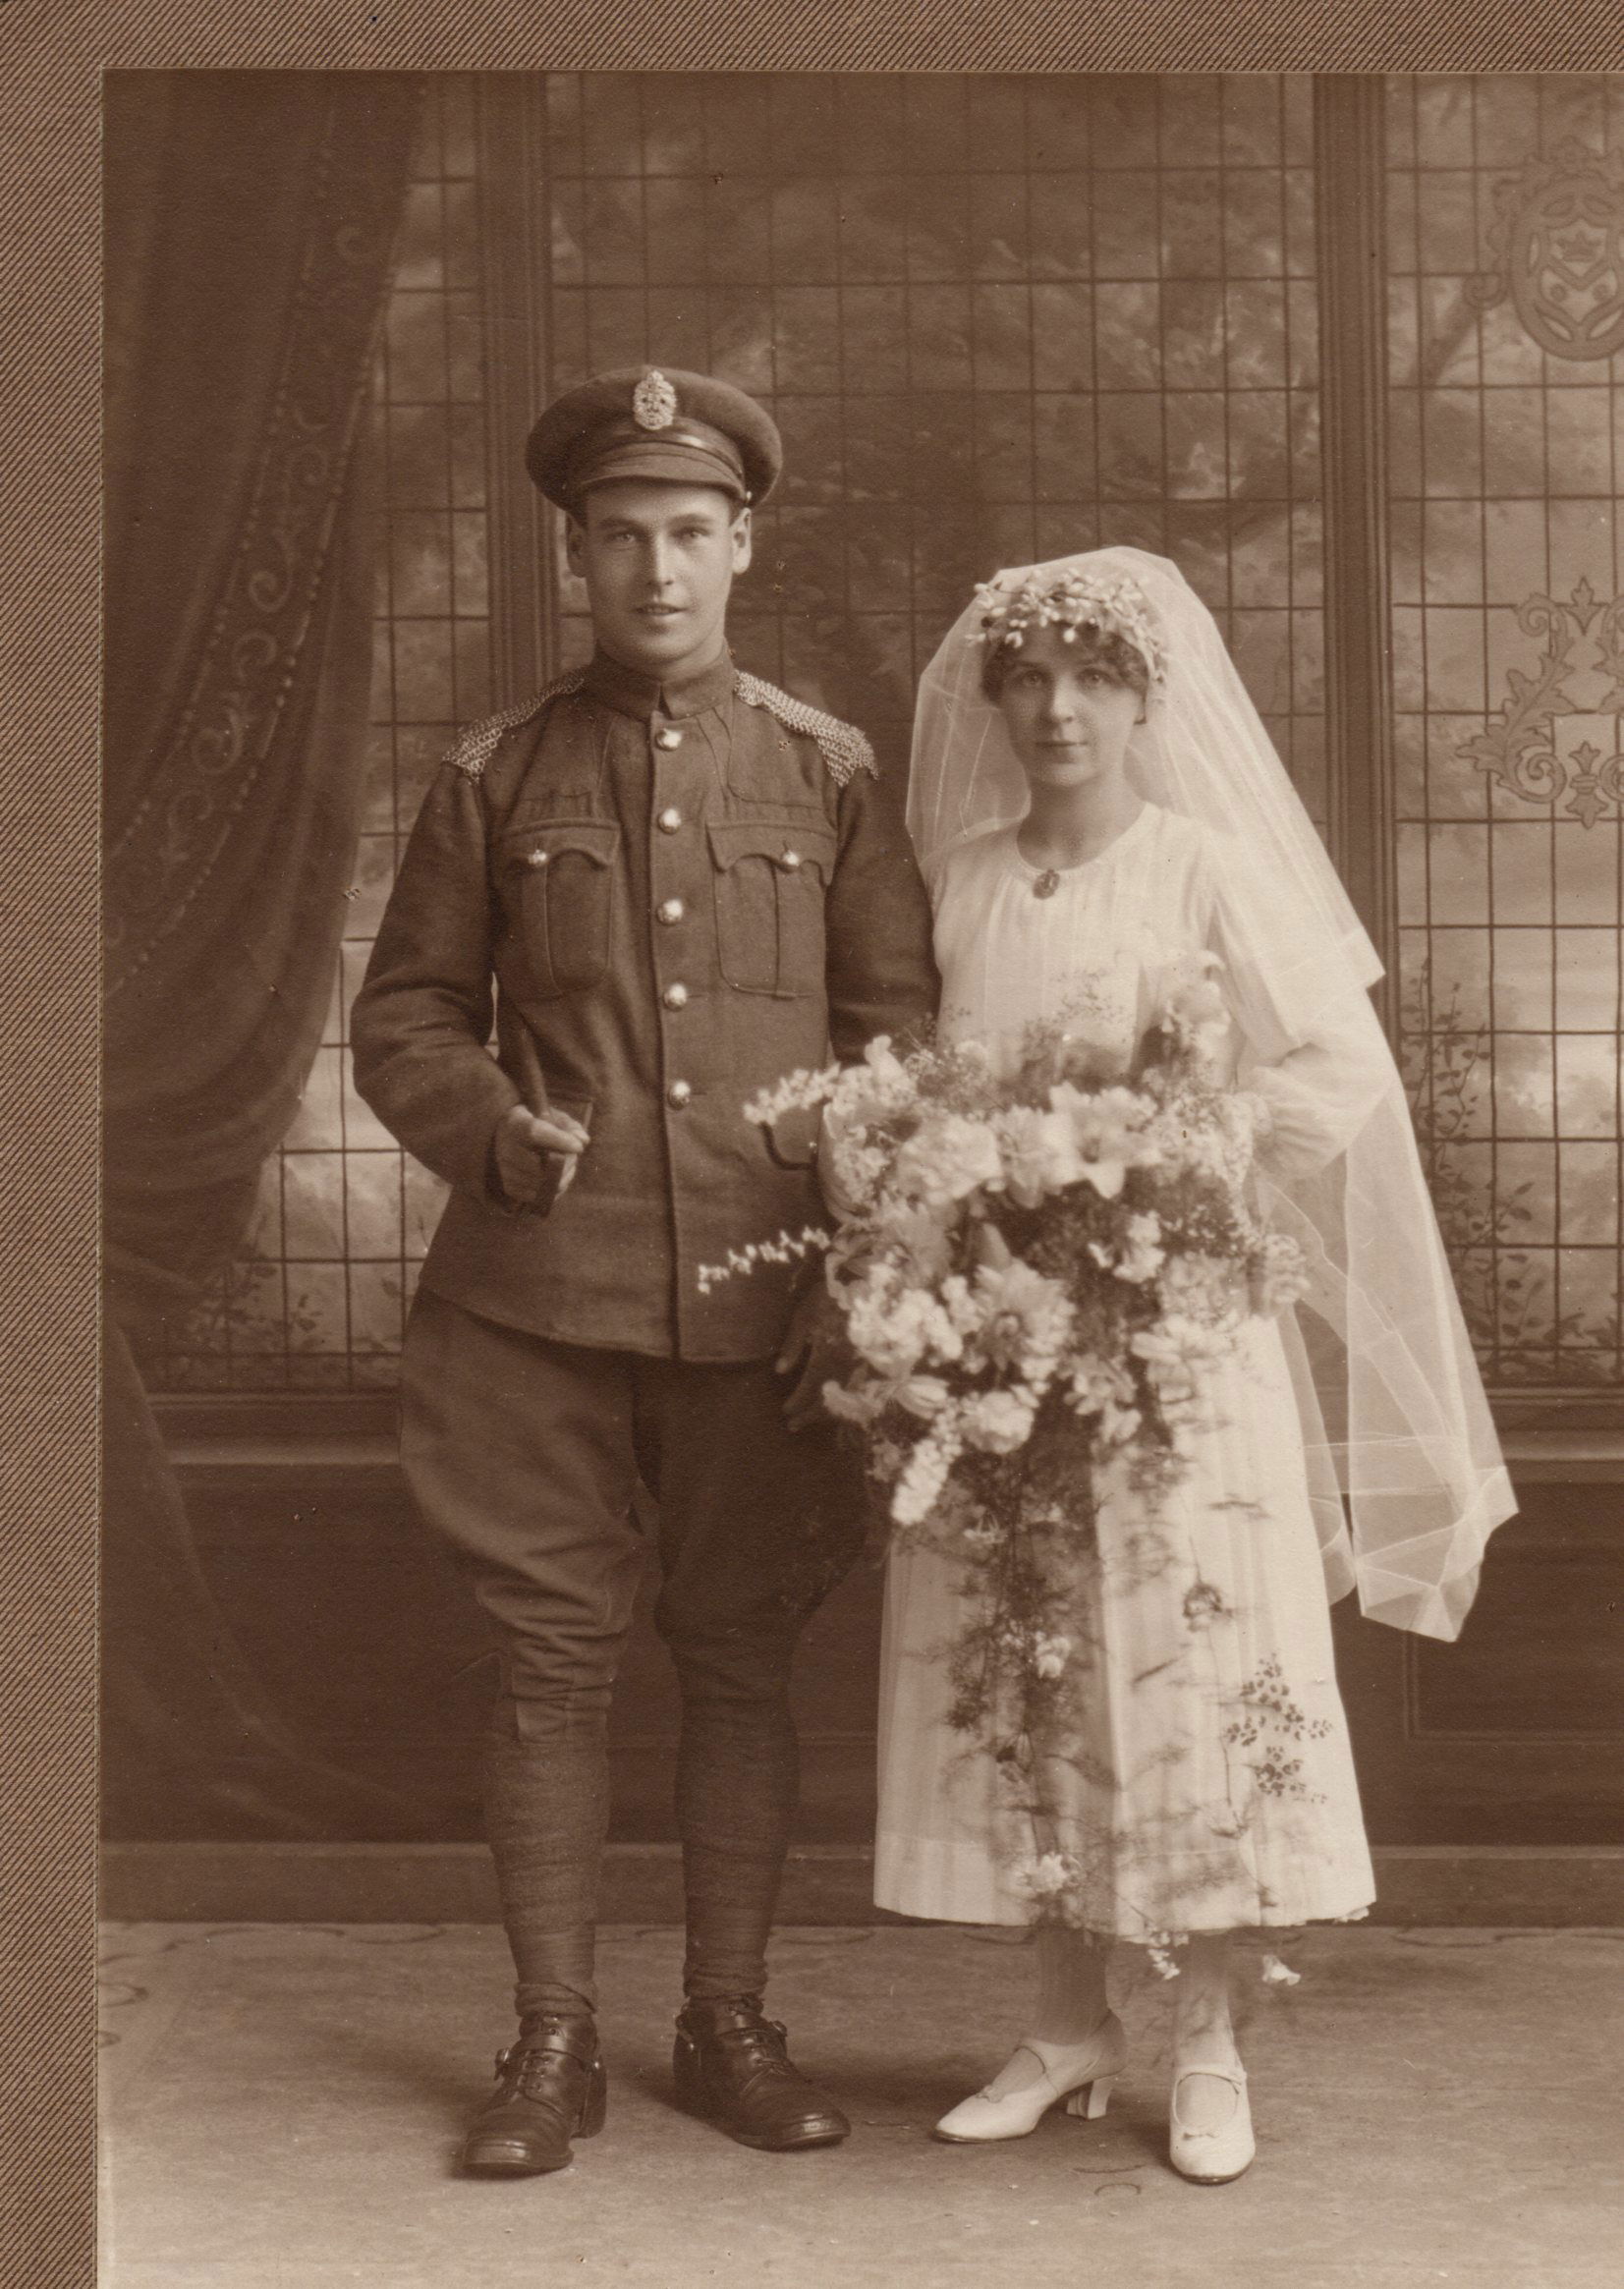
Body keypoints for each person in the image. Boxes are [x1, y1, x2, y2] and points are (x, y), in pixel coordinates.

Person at [352, 365, 937, 2176]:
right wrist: (484, 1123)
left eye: (690, 534)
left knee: (742, 1659)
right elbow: (404, 1019)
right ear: (575, 557)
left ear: (742, 544)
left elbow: (893, 1032)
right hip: (534, 1307)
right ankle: (548, 2044)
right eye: (621, 538)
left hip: (767, 1305)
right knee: (549, 1668)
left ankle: (729, 2021)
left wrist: (851, 1260)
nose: (657, 571)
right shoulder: (494, 771)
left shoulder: (828, 769)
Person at [874, 548, 1514, 2182]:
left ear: (1147, 697)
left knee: (1196, 1662)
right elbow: (938, 1098)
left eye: (1094, 674)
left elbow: (1332, 1072)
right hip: (1011, 1343)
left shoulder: (1200, 869)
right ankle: (1070, 2023)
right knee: (1030, 1660)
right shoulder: (954, 876)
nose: (1059, 706)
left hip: (1176, 1338)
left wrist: (1162, 1172)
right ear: (996, 696)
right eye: (1031, 675)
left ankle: (1212, 2036)